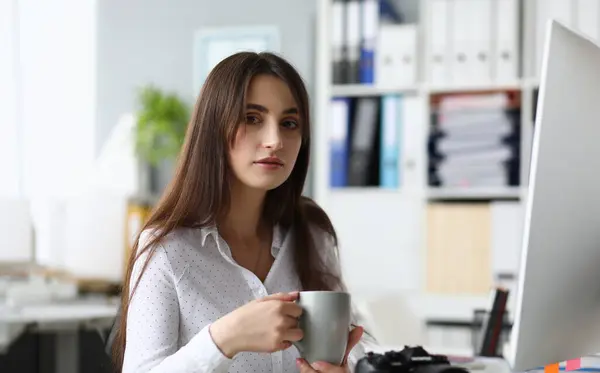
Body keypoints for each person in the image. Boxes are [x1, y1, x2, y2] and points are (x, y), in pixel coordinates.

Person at [111, 51, 377, 373]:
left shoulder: (312, 233)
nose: (275, 140)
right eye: (252, 118)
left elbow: (356, 349)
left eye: (289, 123)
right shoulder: (166, 249)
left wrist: (349, 367)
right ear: (214, 128)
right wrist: (225, 338)